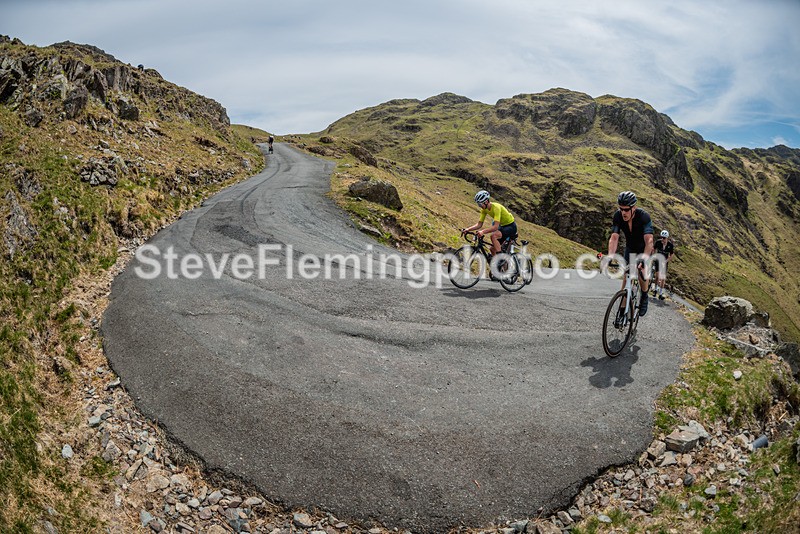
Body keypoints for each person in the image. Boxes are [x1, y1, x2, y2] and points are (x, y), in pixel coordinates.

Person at [605, 190, 654, 322]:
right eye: (621, 209)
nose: (623, 212)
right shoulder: (618, 216)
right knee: (626, 280)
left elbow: (649, 241)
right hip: (630, 249)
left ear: (634, 207)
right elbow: (614, 238)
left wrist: (644, 259)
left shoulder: (644, 217)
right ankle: (622, 312)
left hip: (644, 249)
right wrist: (610, 256)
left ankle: (644, 295)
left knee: (641, 272)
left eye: (626, 210)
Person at [461, 190, 517, 257]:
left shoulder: (496, 207)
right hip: (502, 226)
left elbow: (495, 227)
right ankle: (498, 266)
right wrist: (468, 229)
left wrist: (483, 232)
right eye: (478, 204)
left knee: (493, 236)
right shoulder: (484, 210)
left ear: (486, 202)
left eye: (480, 204)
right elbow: (479, 224)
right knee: (492, 249)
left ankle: (500, 258)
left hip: (511, 226)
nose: (479, 206)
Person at [652, 229, 674, 300]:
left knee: (663, 278)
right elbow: (654, 249)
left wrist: (666, 261)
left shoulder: (670, 245)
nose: (662, 239)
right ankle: (655, 289)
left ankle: (660, 293)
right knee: (657, 276)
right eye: (661, 237)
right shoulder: (658, 242)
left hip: (664, 262)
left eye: (664, 238)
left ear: (667, 238)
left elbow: (671, 255)